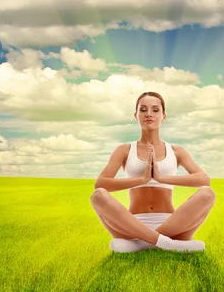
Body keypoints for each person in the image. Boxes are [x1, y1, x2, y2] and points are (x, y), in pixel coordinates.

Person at [90, 91, 216, 253]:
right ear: (136, 115)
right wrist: (141, 179)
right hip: (132, 224)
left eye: (155, 110)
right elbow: (100, 184)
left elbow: (203, 179)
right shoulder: (124, 150)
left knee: (207, 194)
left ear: (164, 116)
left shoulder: (177, 151)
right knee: (98, 195)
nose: (149, 114)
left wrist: (161, 178)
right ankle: (166, 243)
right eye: (143, 110)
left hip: (172, 224)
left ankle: (142, 244)